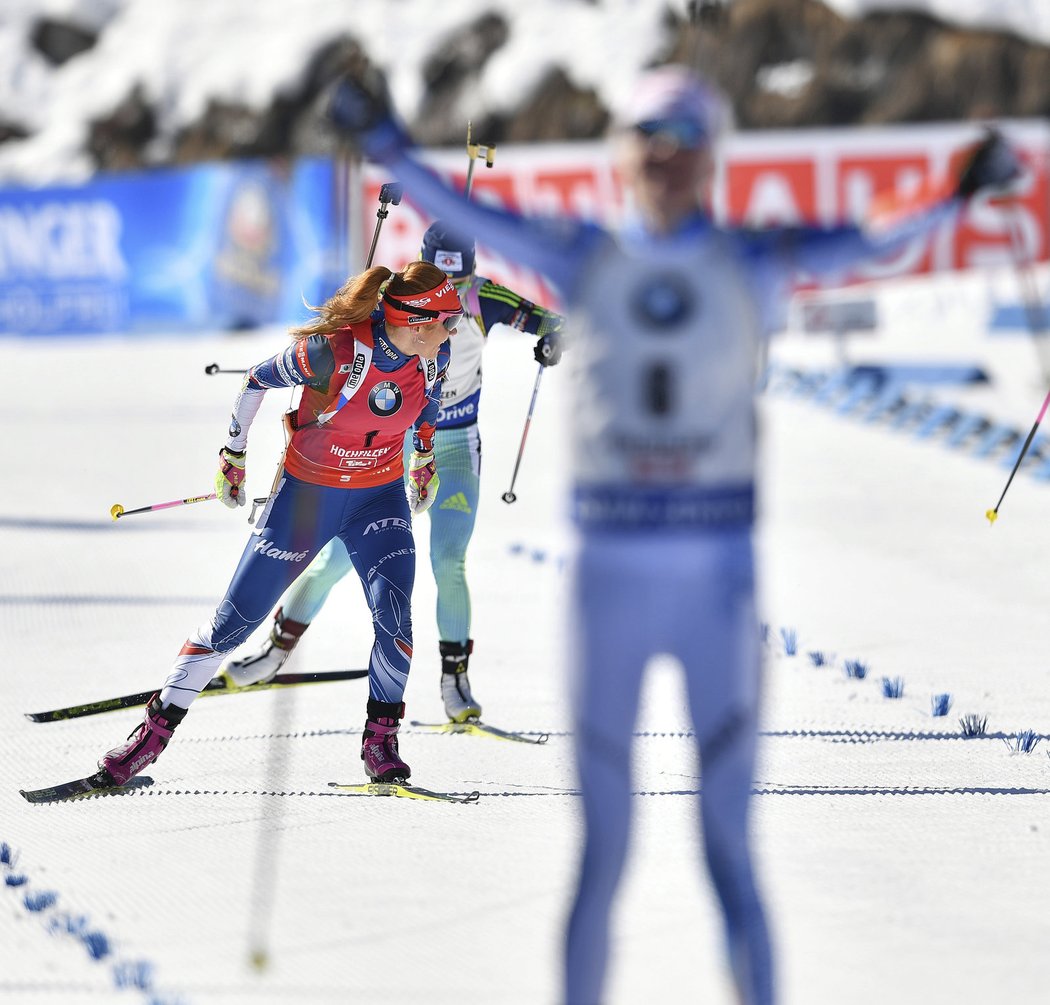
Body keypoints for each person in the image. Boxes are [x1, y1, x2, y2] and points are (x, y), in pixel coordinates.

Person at [328, 61, 1021, 1005]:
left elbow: (869, 239)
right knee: (603, 855)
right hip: (610, 583)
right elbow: (471, 216)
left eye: (685, 141)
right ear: (621, 153)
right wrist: (386, 146)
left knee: (728, 852)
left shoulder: (747, 259)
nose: (664, 158)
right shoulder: (586, 255)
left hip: (714, 586)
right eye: (647, 138)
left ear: (711, 160)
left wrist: (955, 188)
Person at [94, 261, 461, 788]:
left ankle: (380, 743)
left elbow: (424, 407)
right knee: (232, 625)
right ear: (419, 323)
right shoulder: (336, 351)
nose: (453, 333)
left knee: (396, 620)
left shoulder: (434, 354)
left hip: (379, 498)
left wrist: (423, 458)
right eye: (447, 322)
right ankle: (150, 737)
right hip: (307, 499)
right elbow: (254, 381)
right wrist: (233, 456)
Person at [219, 221, 565, 724]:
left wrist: (552, 340)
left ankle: (454, 681)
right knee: (334, 557)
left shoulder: (483, 297)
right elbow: (350, 340)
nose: (457, 303)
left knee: (449, 560)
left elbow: (551, 321)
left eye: (464, 284)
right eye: (448, 289)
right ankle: (275, 652)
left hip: (452, 446)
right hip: (390, 446)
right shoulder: (399, 303)